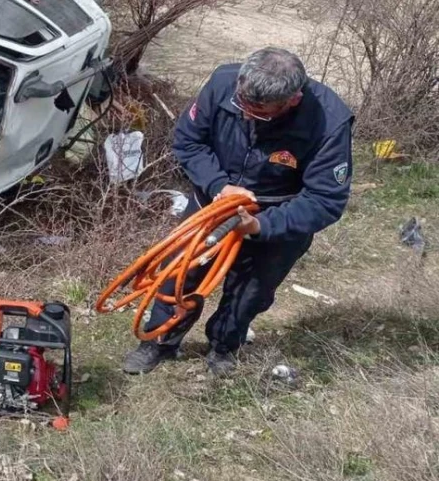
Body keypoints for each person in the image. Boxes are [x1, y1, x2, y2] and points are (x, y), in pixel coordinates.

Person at [121, 48, 354, 377]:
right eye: (240, 104)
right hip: (212, 205)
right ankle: (159, 341)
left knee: (251, 290)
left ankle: (224, 346)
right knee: (178, 273)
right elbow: (189, 142)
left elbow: (325, 198)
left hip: (276, 217)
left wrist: (260, 225)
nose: (245, 115)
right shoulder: (223, 83)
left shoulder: (329, 121)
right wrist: (219, 186)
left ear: (293, 100)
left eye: (258, 112)